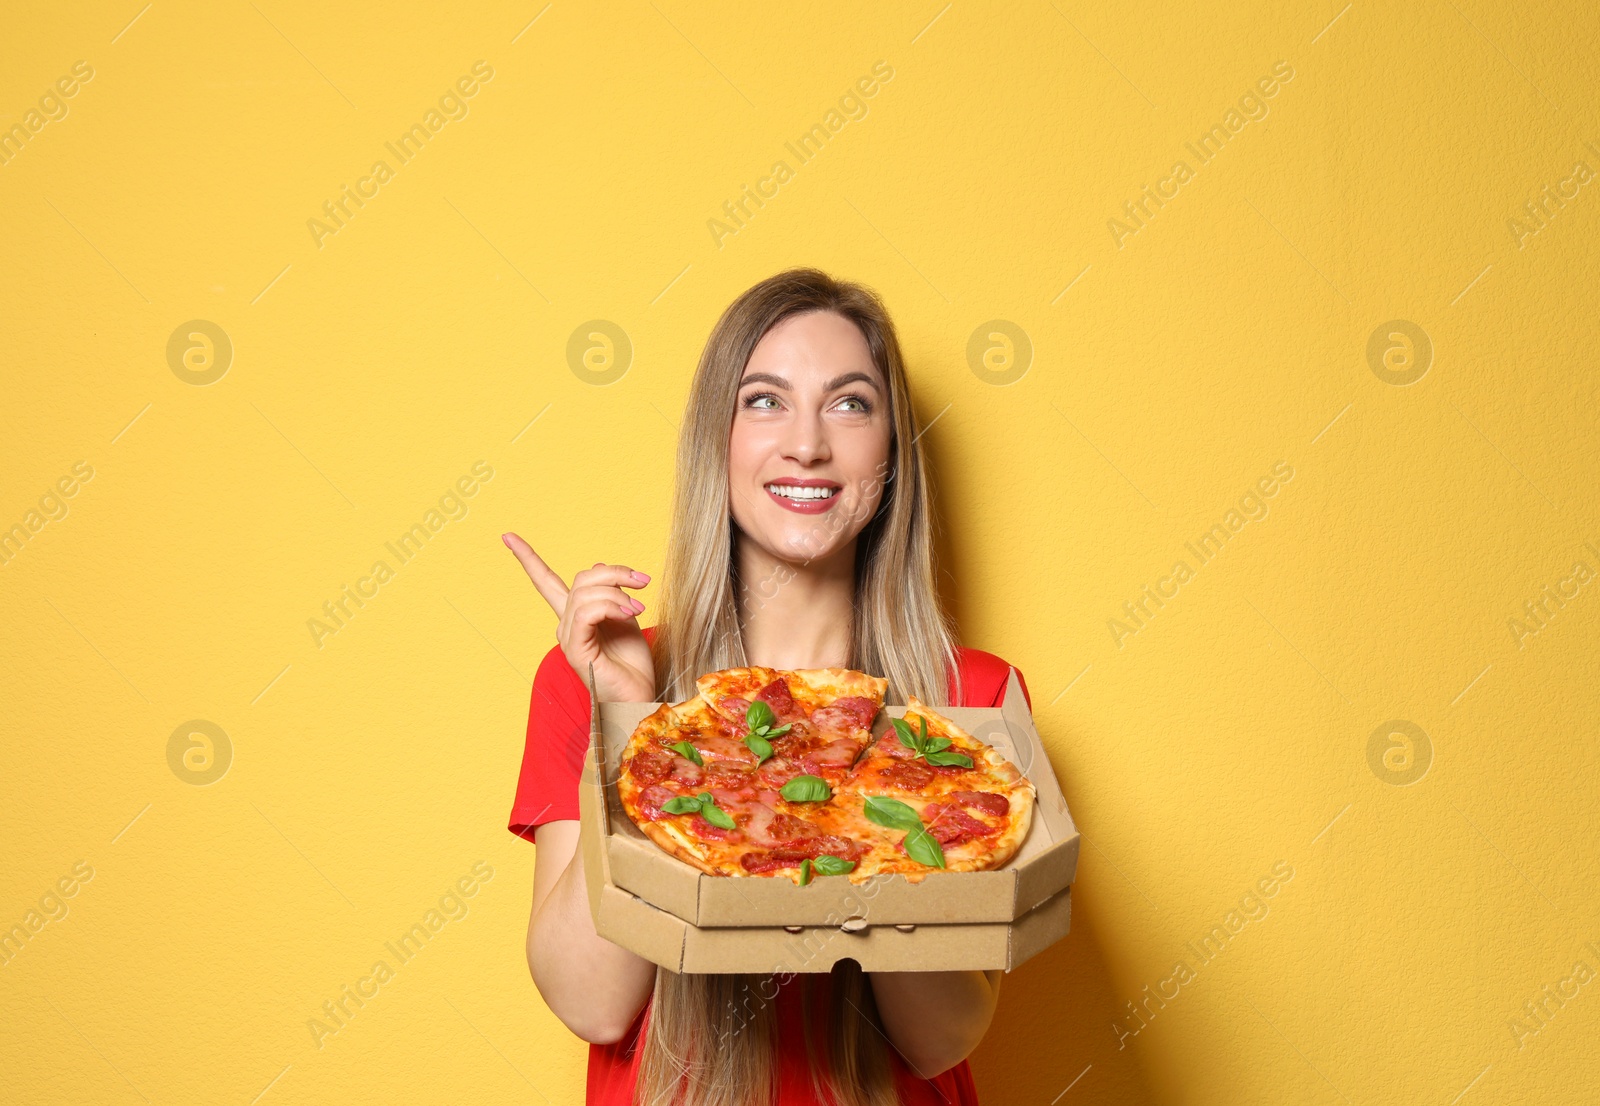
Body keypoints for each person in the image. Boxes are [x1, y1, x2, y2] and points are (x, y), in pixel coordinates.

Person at [504, 267, 1034, 1105]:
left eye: (851, 403)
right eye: (764, 400)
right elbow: (593, 1002)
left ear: (892, 453)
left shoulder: (968, 701)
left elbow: (941, 1041)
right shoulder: (593, 678)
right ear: (717, 437)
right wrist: (637, 726)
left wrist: (863, 802)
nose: (808, 444)